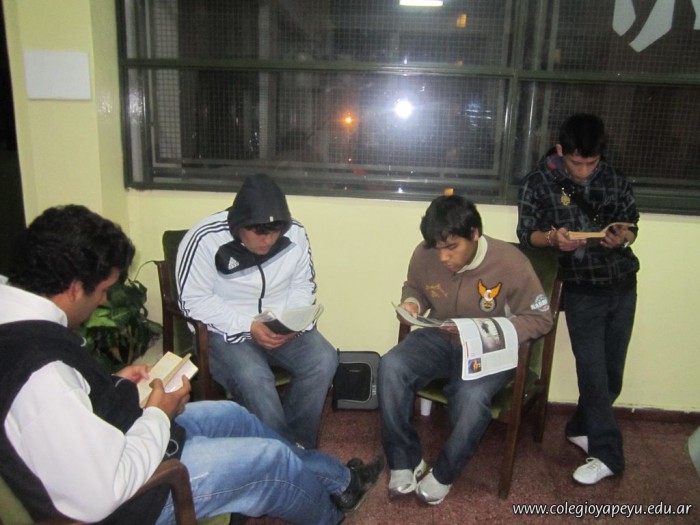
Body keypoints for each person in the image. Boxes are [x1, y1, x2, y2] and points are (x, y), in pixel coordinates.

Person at [0, 204, 384, 525]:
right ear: (73, 288)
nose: (102, 302)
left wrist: (114, 385)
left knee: (234, 416)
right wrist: (157, 414)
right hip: (136, 496)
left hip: (124, 435)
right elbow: (98, 495)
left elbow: (69, 410)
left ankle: (342, 483)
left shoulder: (21, 322)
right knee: (272, 459)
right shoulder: (41, 374)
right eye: (102, 291)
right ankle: (329, 517)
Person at [379, 194, 553, 505]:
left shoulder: (511, 263)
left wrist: (490, 329)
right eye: (437, 248)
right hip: (441, 339)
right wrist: (412, 303)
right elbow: (415, 287)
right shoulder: (425, 253)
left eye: (451, 247)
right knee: (391, 366)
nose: (443, 257)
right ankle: (404, 460)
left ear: (474, 234)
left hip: (488, 348)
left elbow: (541, 319)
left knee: (470, 396)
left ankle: (444, 473)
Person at [516, 113, 640, 485]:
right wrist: (552, 239)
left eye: (591, 163)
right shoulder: (539, 182)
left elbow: (631, 224)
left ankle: (580, 427)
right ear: (560, 150)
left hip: (622, 284)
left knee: (612, 374)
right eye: (576, 163)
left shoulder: (614, 178)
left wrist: (622, 237)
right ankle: (607, 454)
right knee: (593, 373)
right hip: (581, 288)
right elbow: (526, 233)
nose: (584, 171)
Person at [176, 174, 337, 449]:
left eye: (275, 233)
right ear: (238, 225)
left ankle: (297, 444)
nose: (268, 241)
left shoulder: (295, 233)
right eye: (259, 233)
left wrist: (292, 322)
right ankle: (288, 456)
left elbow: (303, 285)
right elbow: (192, 300)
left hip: (278, 326)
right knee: (255, 377)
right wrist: (246, 325)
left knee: (324, 359)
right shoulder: (204, 238)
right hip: (224, 333)